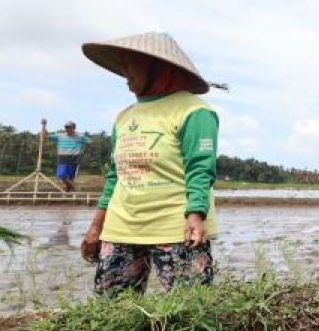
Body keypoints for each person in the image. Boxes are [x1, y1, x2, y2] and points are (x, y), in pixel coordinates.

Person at [78, 32, 222, 296]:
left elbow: (200, 168)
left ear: (156, 66)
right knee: (114, 314)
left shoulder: (193, 111)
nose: (125, 73)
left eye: (130, 64)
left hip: (176, 229)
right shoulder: (124, 117)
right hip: (121, 228)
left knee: (190, 313)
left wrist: (195, 215)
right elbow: (115, 177)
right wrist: (96, 226)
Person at [41, 118, 91, 192]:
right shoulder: (60, 136)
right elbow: (45, 136)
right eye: (66, 127)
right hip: (62, 159)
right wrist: (44, 125)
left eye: (69, 127)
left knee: (70, 178)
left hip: (74, 159)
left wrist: (84, 149)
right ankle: (75, 189)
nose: (67, 129)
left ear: (74, 128)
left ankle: (69, 194)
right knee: (62, 175)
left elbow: (89, 141)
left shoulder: (79, 136)